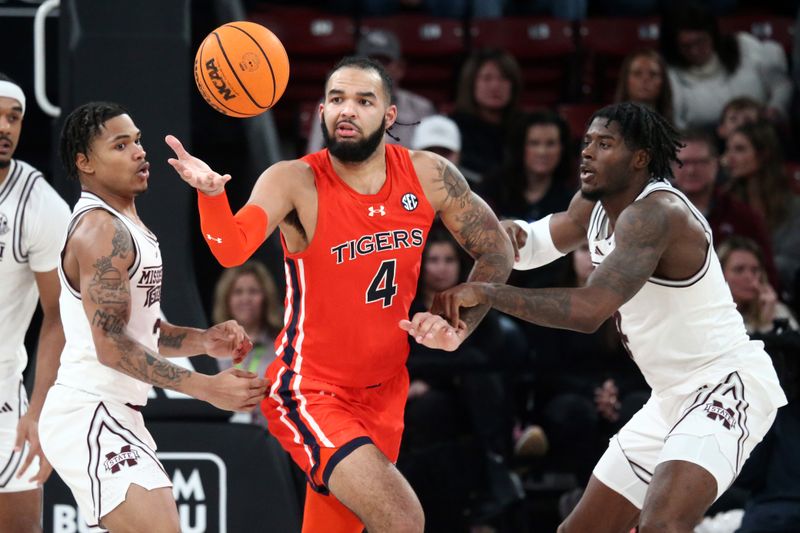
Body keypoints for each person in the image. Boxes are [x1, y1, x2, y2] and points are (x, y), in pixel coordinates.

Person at [165, 56, 513, 533]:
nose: (346, 110)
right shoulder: (294, 179)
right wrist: (210, 196)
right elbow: (231, 249)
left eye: (363, 100)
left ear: (389, 116)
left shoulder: (428, 174)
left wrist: (459, 325)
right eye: (336, 99)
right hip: (311, 390)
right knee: (403, 518)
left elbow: (496, 251)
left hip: (387, 390)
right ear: (322, 112)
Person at [433, 102, 788, 532]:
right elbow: (541, 240)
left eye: (605, 144)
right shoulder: (594, 203)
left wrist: (490, 292)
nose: (587, 153)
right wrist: (497, 233)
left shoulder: (656, 214)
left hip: (725, 383)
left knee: (662, 526)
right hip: (668, 396)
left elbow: (589, 311)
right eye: (587, 143)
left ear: (639, 158)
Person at [38, 102, 268, 533]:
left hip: (117, 411)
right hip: (89, 410)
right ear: (84, 163)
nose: (139, 152)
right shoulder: (101, 232)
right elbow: (111, 346)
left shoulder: (129, 225)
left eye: (138, 140)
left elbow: (142, 332)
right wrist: (204, 387)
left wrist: (203, 340)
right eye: (120, 145)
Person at [0, 74, 69, 533]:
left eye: (14, 117)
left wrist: (39, 409)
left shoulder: (38, 205)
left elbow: (58, 317)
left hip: (4, 401)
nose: (5, 127)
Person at [671, 128, 778, 288]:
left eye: (700, 162)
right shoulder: (652, 214)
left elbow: (768, 275)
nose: (691, 170)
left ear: (716, 164)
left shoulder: (744, 216)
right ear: (672, 166)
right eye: (684, 163)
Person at [659, 2, 792, 130]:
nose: (694, 51)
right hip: (707, 142)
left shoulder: (744, 45)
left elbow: (781, 85)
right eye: (686, 46)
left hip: (763, 131)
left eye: (700, 41)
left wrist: (775, 109)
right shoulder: (671, 73)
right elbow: (677, 125)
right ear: (674, 46)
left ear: (712, 34)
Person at [306, 29, 435, 154]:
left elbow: (431, 163)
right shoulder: (333, 104)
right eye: (369, 62)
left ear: (400, 68)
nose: (377, 68)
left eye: (384, 61)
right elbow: (314, 158)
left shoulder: (421, 108)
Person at [722, 120, 800, 305]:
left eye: (740, 149)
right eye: (728, 149)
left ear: (763, 155)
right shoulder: (725, 203)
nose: (728, 158)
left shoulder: (793, 207)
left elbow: (792, 263)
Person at [213, 260, 283, 426]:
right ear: (226, 299)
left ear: (266, 297)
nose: (246, 299)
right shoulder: (211, 348)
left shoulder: (282, 348)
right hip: (223, 439)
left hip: (271, 441)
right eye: (238, 292)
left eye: (253, 291)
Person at [451, 48, 523, 177]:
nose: (495, 85)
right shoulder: (454, 128)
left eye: (504, 78)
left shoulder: (524, 126)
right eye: (487, 78)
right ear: (471, 83)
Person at [717, 236, 798, 335]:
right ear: (720, 274)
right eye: (739, 269)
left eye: (755, 270)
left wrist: (767, 322)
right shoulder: (711, 317)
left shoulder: (775, 309)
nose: (749, 277)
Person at [614, 49, 674, 124]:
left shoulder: (671, 130)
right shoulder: (607, 127)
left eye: (653, 74)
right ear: (626, 79)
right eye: (637, 73)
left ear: (663, 81)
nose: (645, 79)